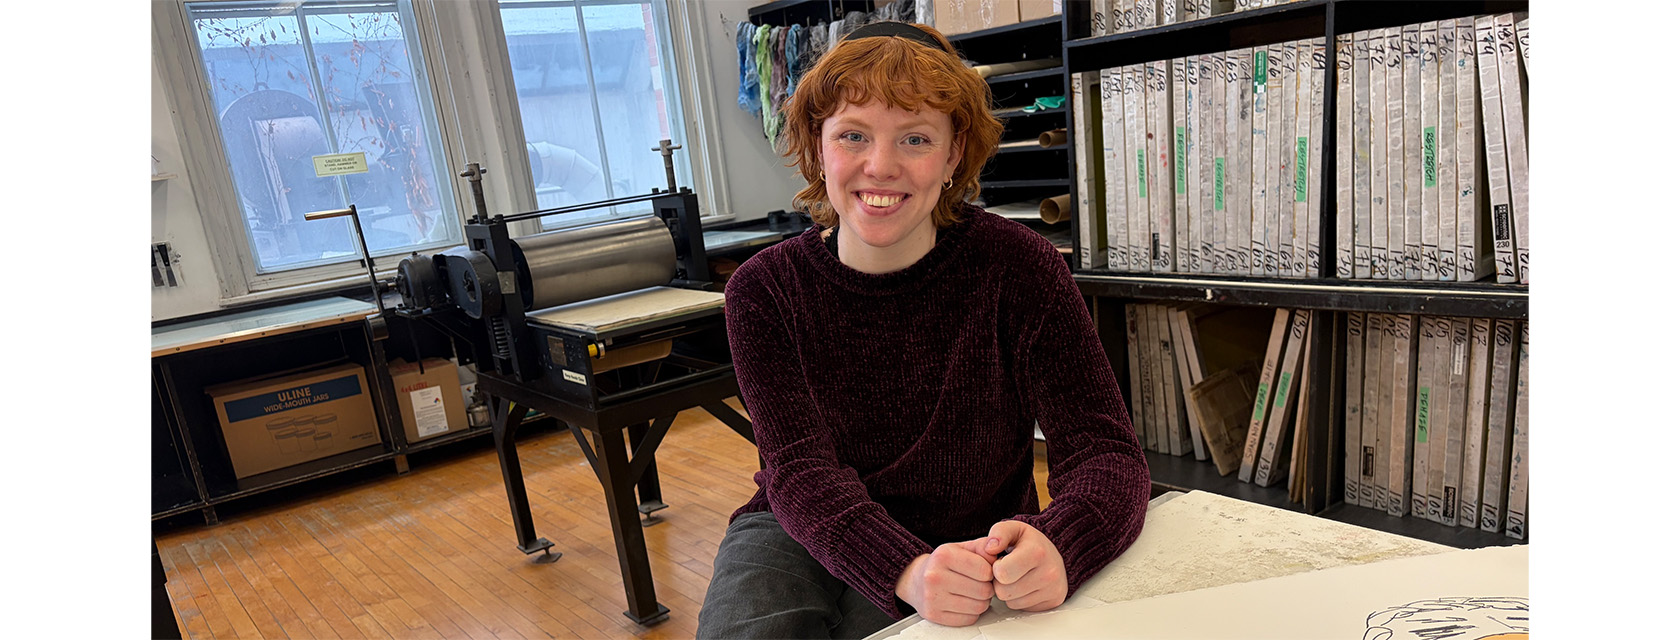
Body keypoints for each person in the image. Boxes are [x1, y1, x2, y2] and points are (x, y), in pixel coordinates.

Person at [697, 21, 1151, 639]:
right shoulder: (763, 290)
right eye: (853, 134)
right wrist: (902, 569)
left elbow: (1104, 451)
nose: (880, 167)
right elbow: (798, 470)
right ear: (818, 144)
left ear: (953, 154)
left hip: (969, 536)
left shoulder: (1020, 268)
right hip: (800, 523)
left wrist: (1064, 545)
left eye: (914, 138)